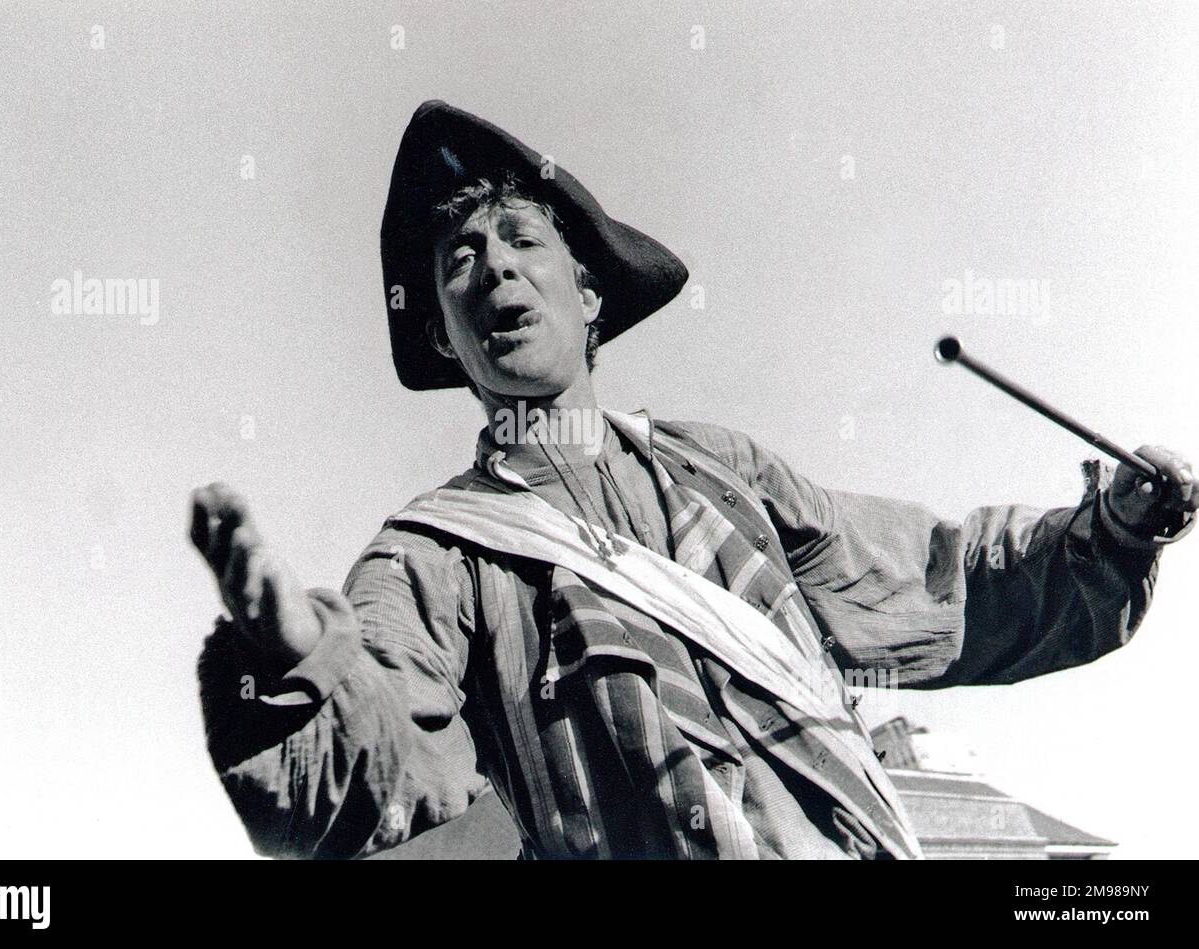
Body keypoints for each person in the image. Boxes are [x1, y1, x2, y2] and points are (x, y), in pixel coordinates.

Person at [190, 100, 1195, 859]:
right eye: (459, 258)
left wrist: (1109, 532)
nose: (491, 267)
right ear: (445, 339)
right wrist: (296, 655)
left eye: (520, 240)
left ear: (587, 293)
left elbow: (942, 584)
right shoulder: (431, 555)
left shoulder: (722, 471)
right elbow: (388, 784)